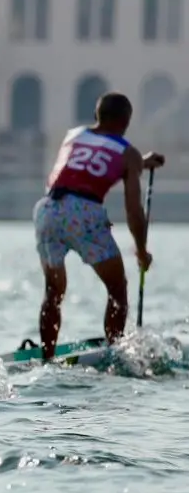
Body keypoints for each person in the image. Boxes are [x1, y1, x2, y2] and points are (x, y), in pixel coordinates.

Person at [34, 92, 165, 360]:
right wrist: (141, 251)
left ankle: (46, 358)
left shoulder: (73, 135)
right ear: (126, 121)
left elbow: (92, 160)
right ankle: (115, 353)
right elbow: (133, 210)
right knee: (117, 290)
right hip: (84, 213)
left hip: (47, 209)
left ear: (97, 115)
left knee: (53, 292)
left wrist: (140, 162)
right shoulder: (128, 153)